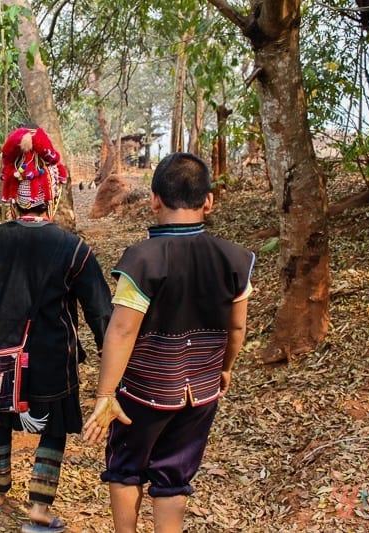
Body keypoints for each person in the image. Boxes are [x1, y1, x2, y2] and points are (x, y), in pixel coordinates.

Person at [82, 152, 255, 532]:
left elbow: (123, 330)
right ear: (208, 201)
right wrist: (224, 369)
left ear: (155, 199)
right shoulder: (234, 259)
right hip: (202, 392)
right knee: (174, 476)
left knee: (125, 469)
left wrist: (105, 393)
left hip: (143, 390)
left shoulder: (142, 259)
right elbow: (237, 329)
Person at [0, 125, 112, 533]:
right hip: (51, 355)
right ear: (52, 194)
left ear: (13, 198)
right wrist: (113, 361)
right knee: (54, 425)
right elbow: (100, 312)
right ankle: (39, 511)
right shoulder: (72, 247)